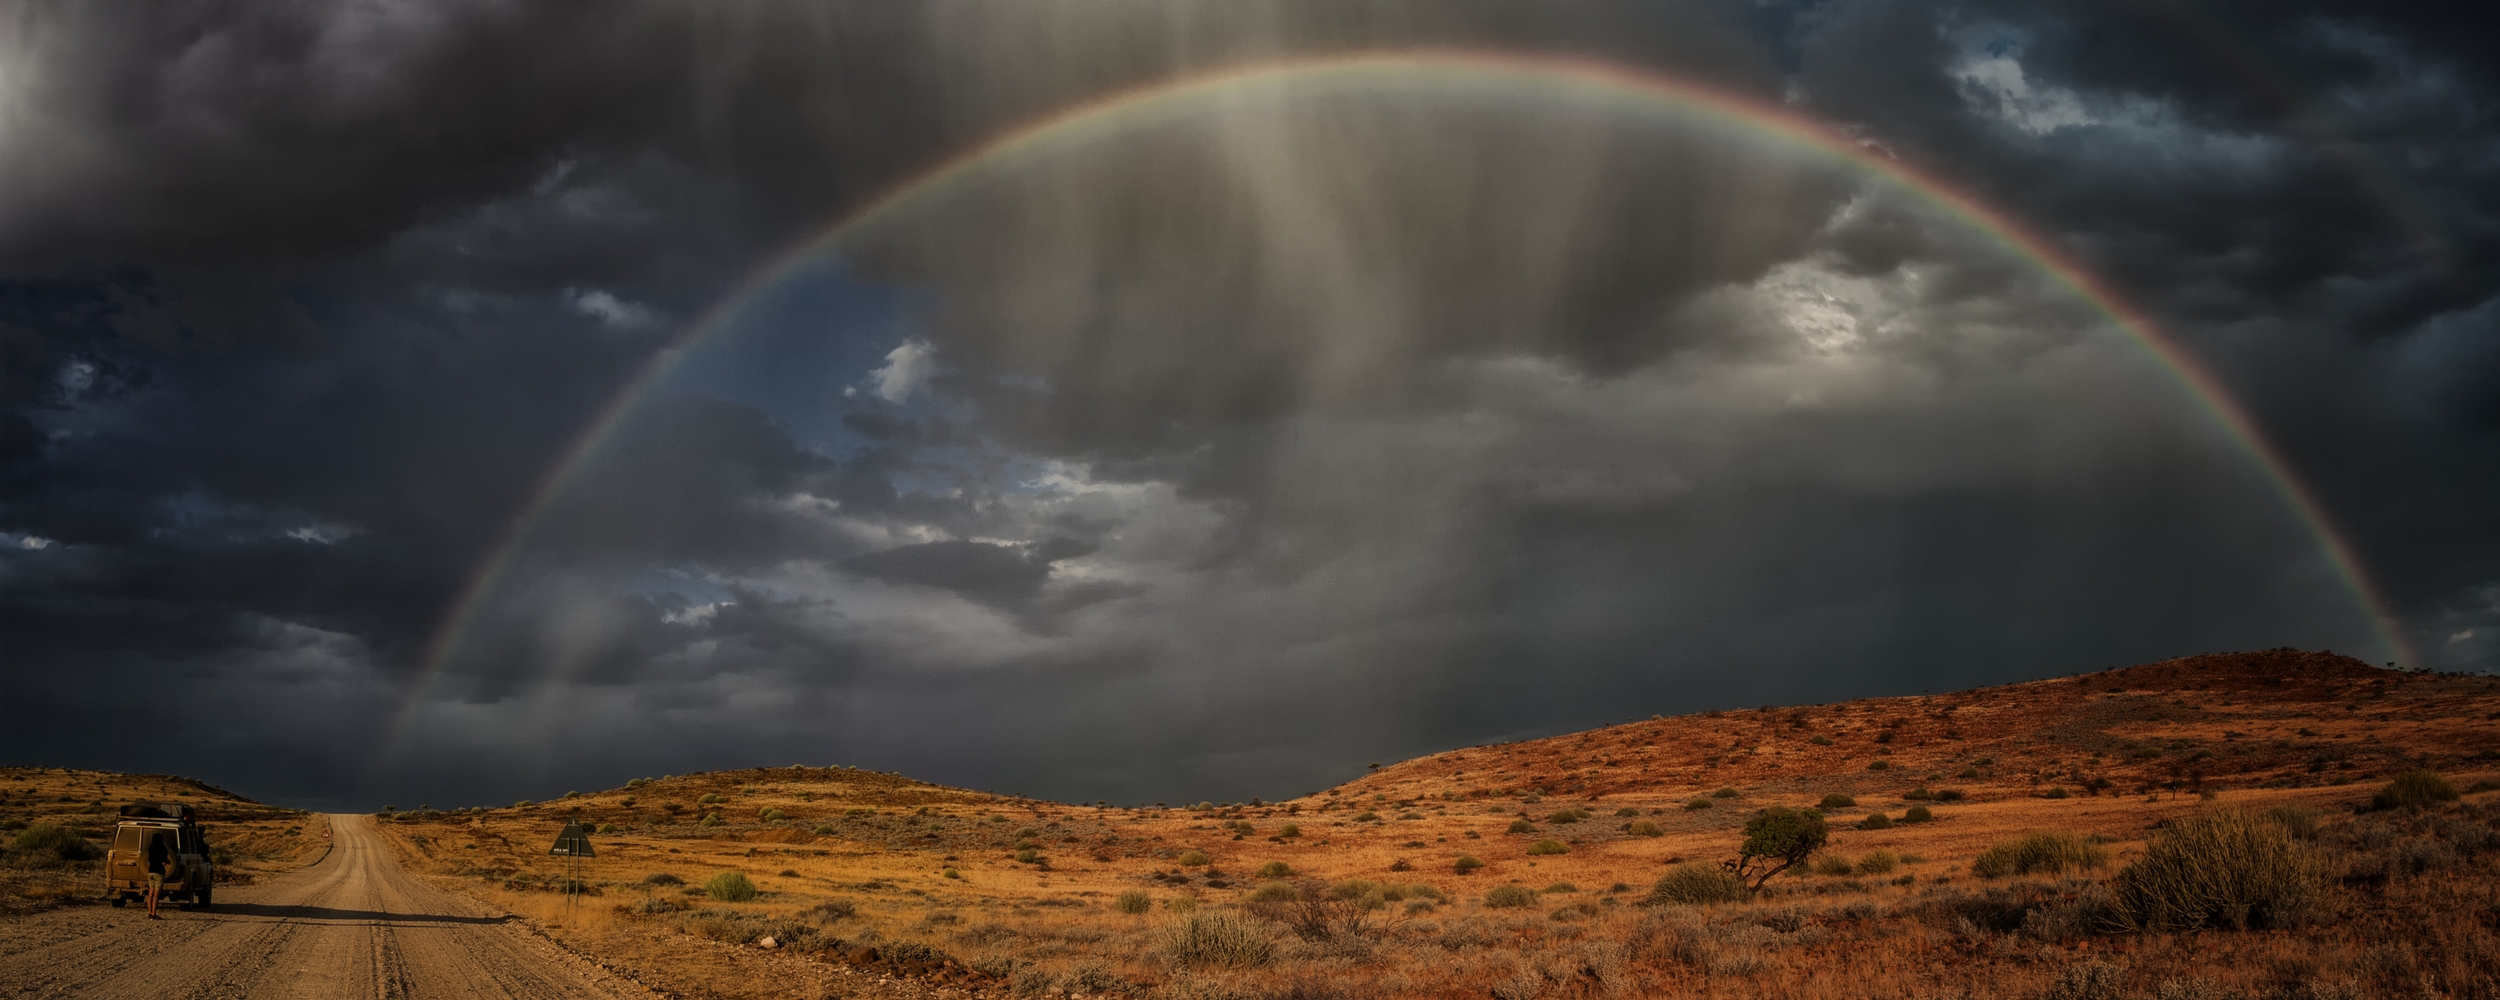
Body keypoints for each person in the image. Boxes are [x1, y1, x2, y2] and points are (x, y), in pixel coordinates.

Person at [144, 832, 177, 919]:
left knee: (150, 893)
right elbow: (163, 862)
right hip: (159, 873)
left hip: (150, 872)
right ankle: (154, 913)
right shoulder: (163, 848)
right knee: (156, 894)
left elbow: (149, 859)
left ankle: (149, 912)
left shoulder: (151, 847)